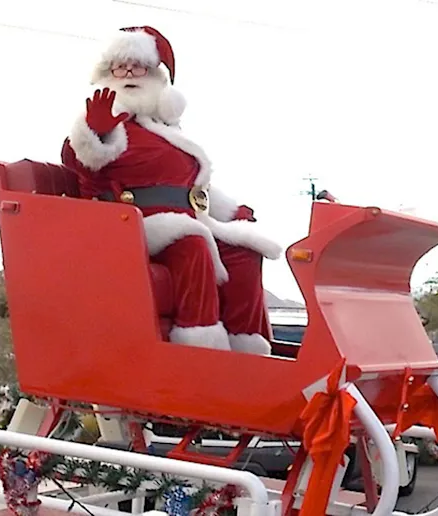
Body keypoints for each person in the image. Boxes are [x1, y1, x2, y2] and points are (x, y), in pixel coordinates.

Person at [61, 26, 281, 355]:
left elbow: (190, 185)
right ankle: (200, 346)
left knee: (243, 250)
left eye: (138, 67)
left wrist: (230, 212)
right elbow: (77, 159)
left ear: (156, 76)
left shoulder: (163, 130)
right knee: (191, 242)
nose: (128, 74)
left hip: (183, 218)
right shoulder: (106, 122)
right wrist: (94, 132)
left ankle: (246, 346)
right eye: (120, 67)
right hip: (128, 226)